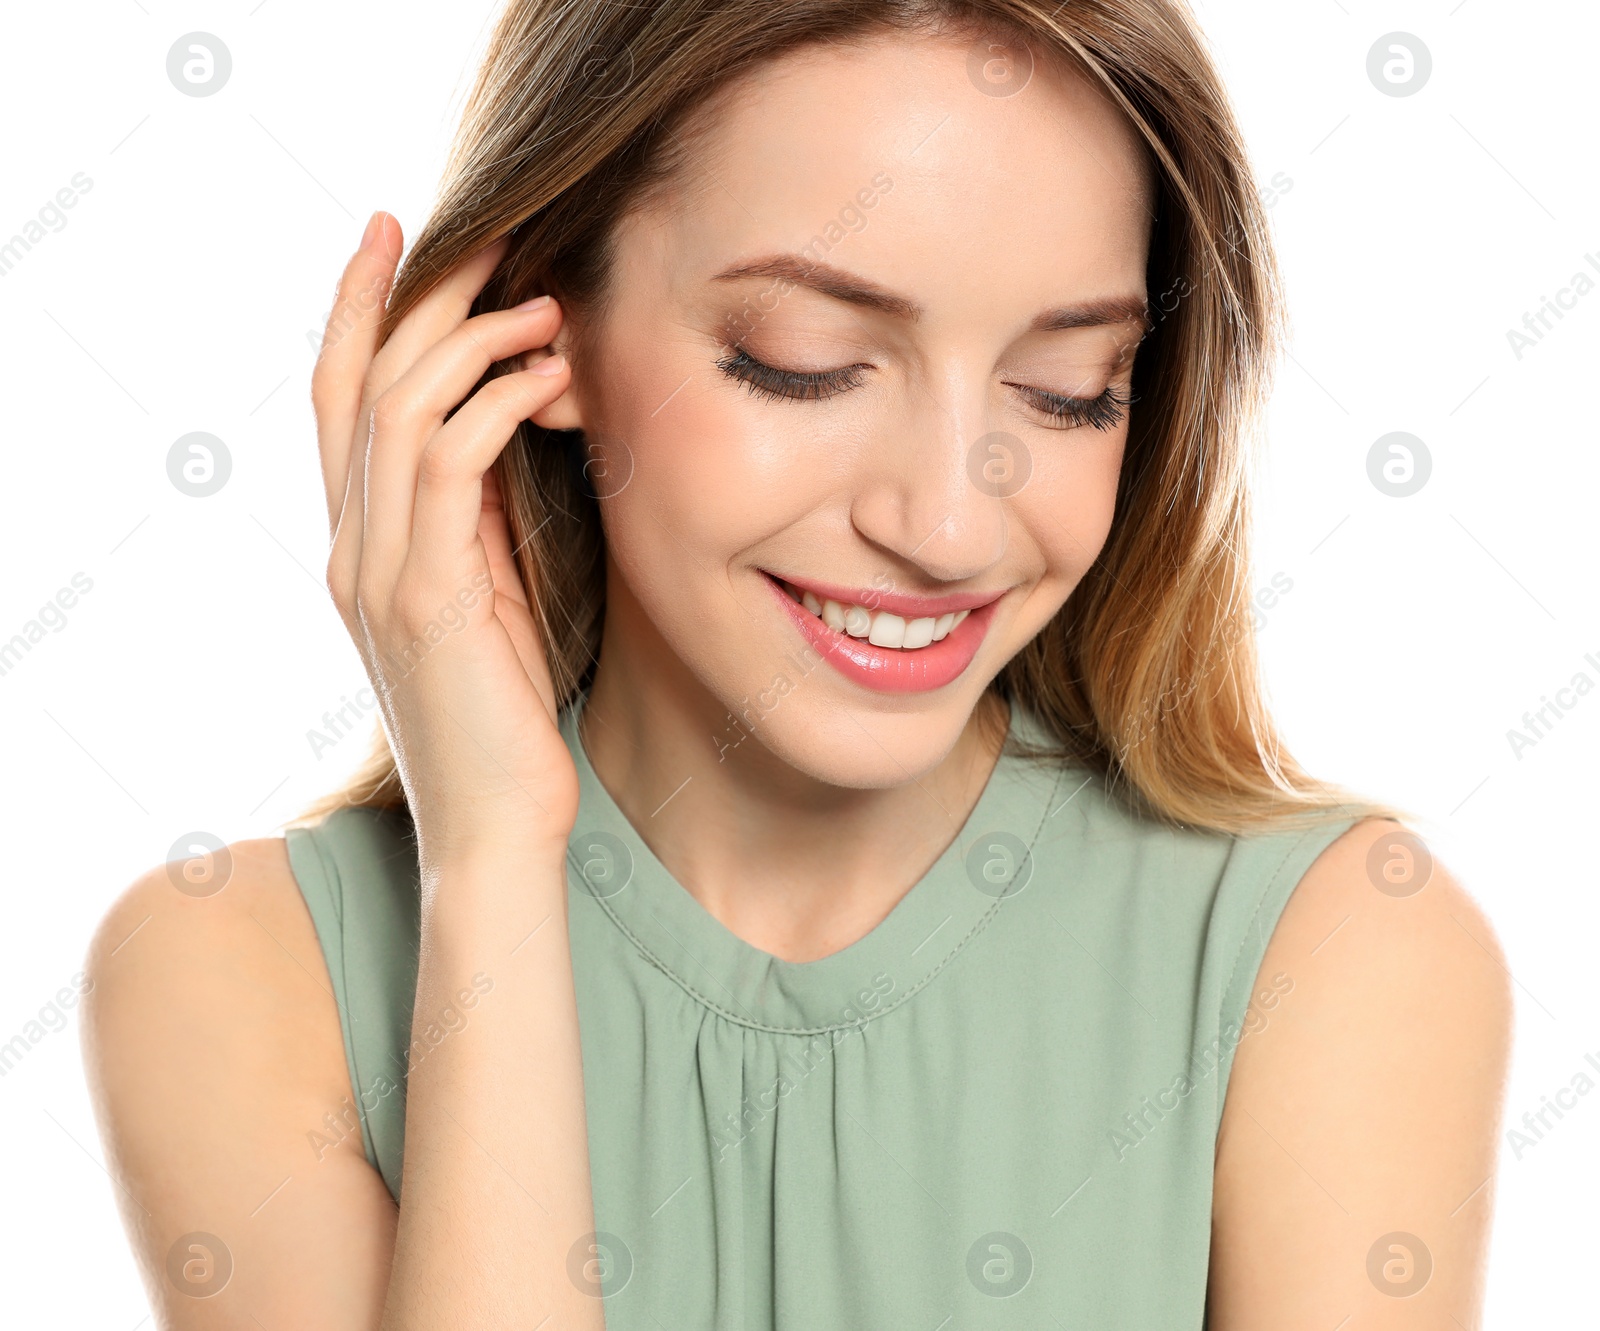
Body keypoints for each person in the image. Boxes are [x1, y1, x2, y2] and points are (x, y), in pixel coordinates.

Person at [81, 2, 1512, 1327]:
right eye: (804, 360)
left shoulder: (1337, 950)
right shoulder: (234, 972)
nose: (949, 525)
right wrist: (491, 856)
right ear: (531, 331)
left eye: (1070, 389)